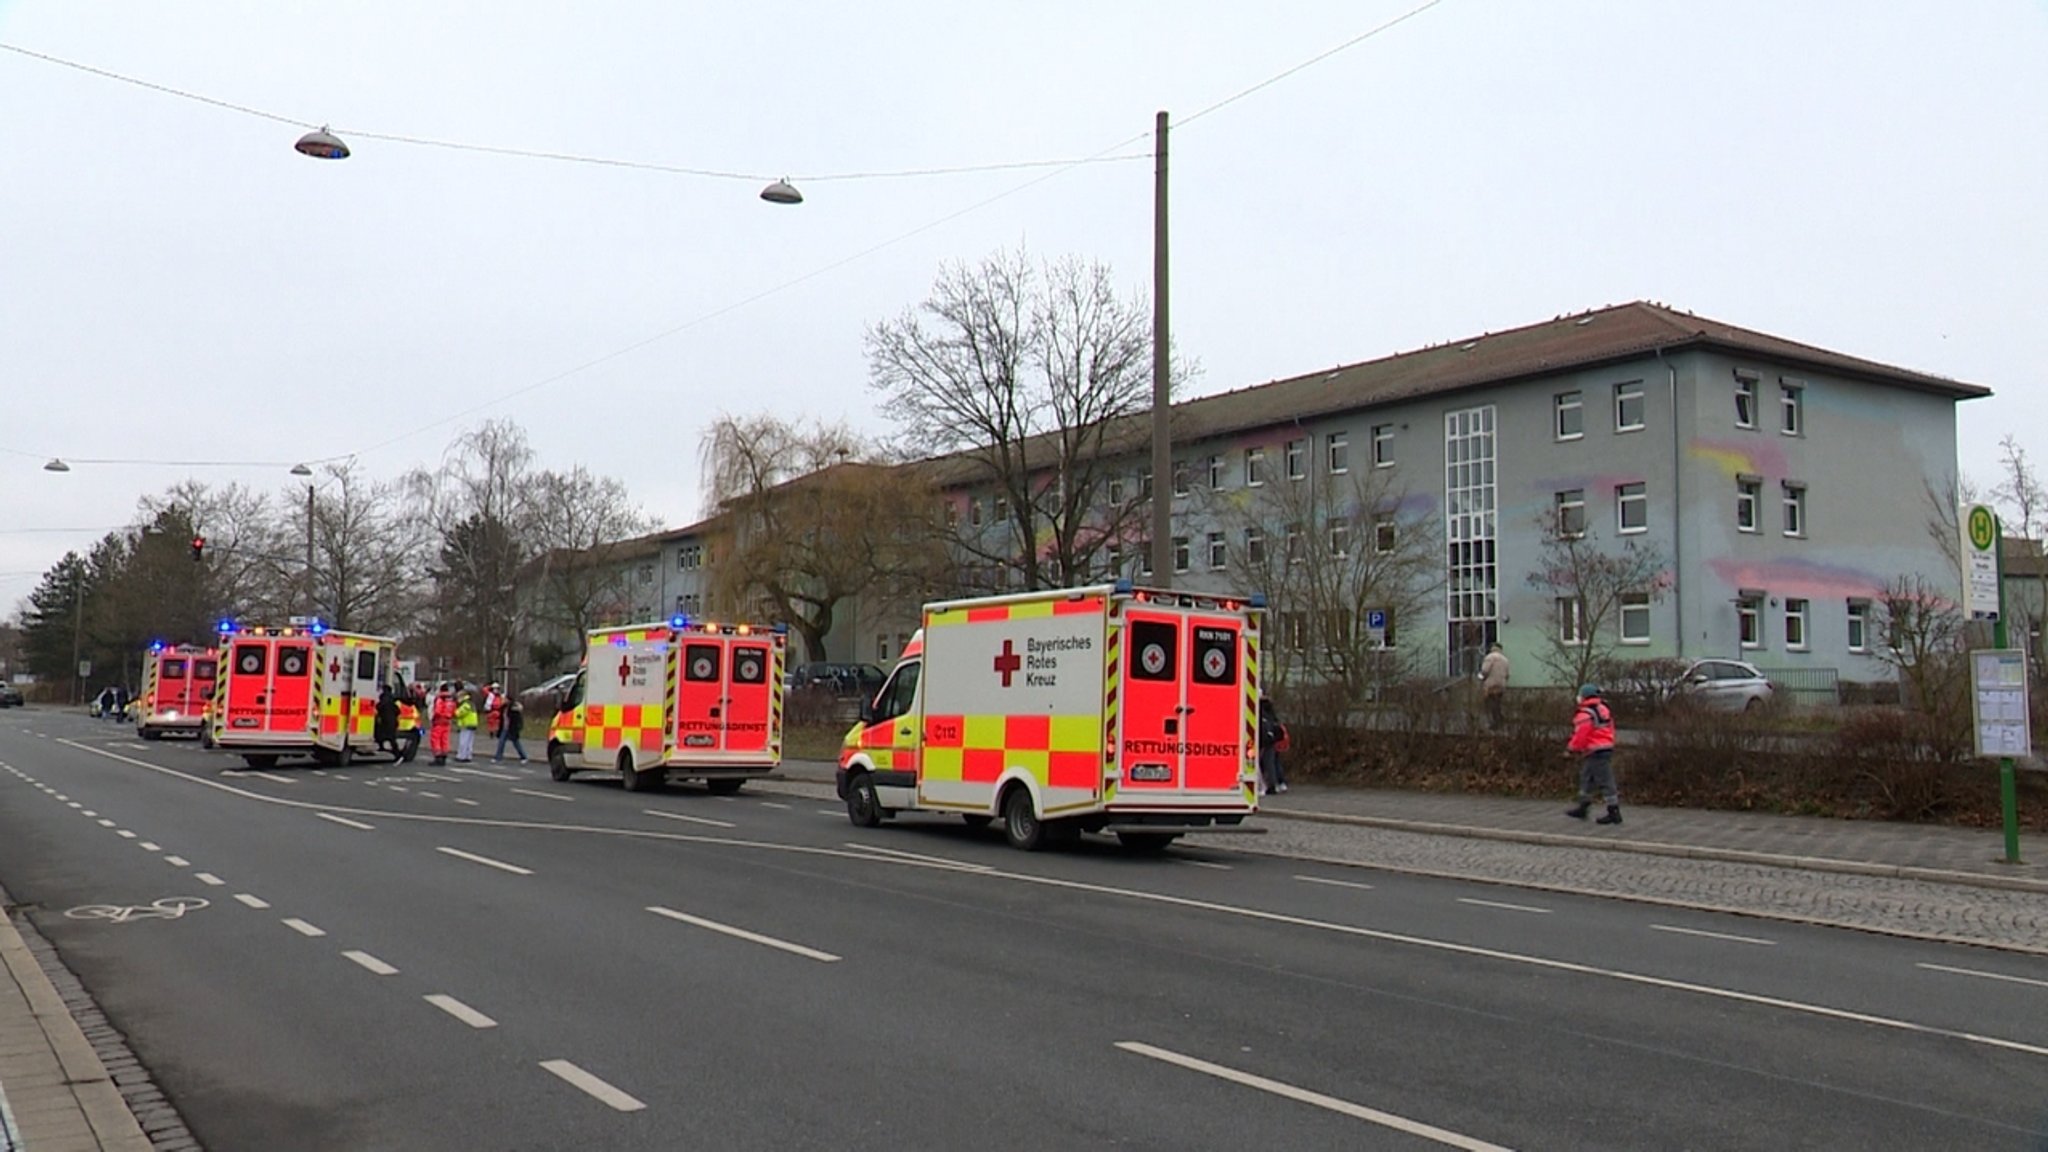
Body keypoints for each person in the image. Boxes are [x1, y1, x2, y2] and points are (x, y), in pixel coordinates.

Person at [1565, 683, 1621, 825]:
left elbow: (1581, 734)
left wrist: (1571, 748)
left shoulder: (1585, 713)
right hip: (1604, 748)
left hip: (1595, 750)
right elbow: (1611, 728)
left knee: (1605, 780)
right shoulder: (1603, 709)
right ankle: (1583, 807)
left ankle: (1613, 812)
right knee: (1587, 778)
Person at [1257, 697, 1289, 795]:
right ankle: (1279, 782)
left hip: (1265, 741)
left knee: (1267, 763)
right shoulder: (1269, 710)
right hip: (1272, 739)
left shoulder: (1259, 710)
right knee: (1273, 762)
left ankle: (1270, 785)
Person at [1478, 642, 1509, 730]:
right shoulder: (1505, 660)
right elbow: (1507, 674)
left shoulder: (1490, 658)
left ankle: (1494, 722)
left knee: (1491, 704)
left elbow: (1485, 671)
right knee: (1498, 702)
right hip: (1501, 684)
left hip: (1491, 684)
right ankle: (1500, 719)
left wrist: (1480, 677)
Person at [492, 693, 528, 763]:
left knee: (516, 743)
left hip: (512, 729)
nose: (503, 700)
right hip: (505, 728)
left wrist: (517, 728)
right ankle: (498, 757)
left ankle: (524, 757)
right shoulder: (503, 708)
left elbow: (517, 720)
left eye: (505, 699)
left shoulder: (513, 709)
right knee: (501, 742)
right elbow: (501, 719)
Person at [428, 683, 456, 766]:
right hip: (447, 721)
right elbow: (454, 710)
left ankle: (438, 757)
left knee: (435, 739)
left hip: (439, 721)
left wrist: (433, 718)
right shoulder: (451, 699)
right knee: (445, 739)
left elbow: (437, 710)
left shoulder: (440, 698)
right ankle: (444, 755)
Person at [395, 687, 422, 763]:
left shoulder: (398, 704)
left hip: (399, 727)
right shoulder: (413, 708)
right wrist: (420, 730)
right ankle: (407, 755)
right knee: (412, 743)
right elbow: (417, 718)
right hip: (411, 728)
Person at [454, 688, 480, 763]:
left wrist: (454, 711)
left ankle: (461, 756)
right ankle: (468, 755)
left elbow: (459, 713)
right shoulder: (470, 702)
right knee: (469, 742)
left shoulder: (466, 703)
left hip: (466, 724)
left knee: (463, 741)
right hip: (472, 724)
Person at [373, 682, 399, 757]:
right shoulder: (392, 700)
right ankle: (397, 754)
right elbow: (398, 711)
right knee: (392, 739)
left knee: (379, 735)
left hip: (385, 721)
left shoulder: (383, 698)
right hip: (393, 722)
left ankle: (384, 748)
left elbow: (379, 706)